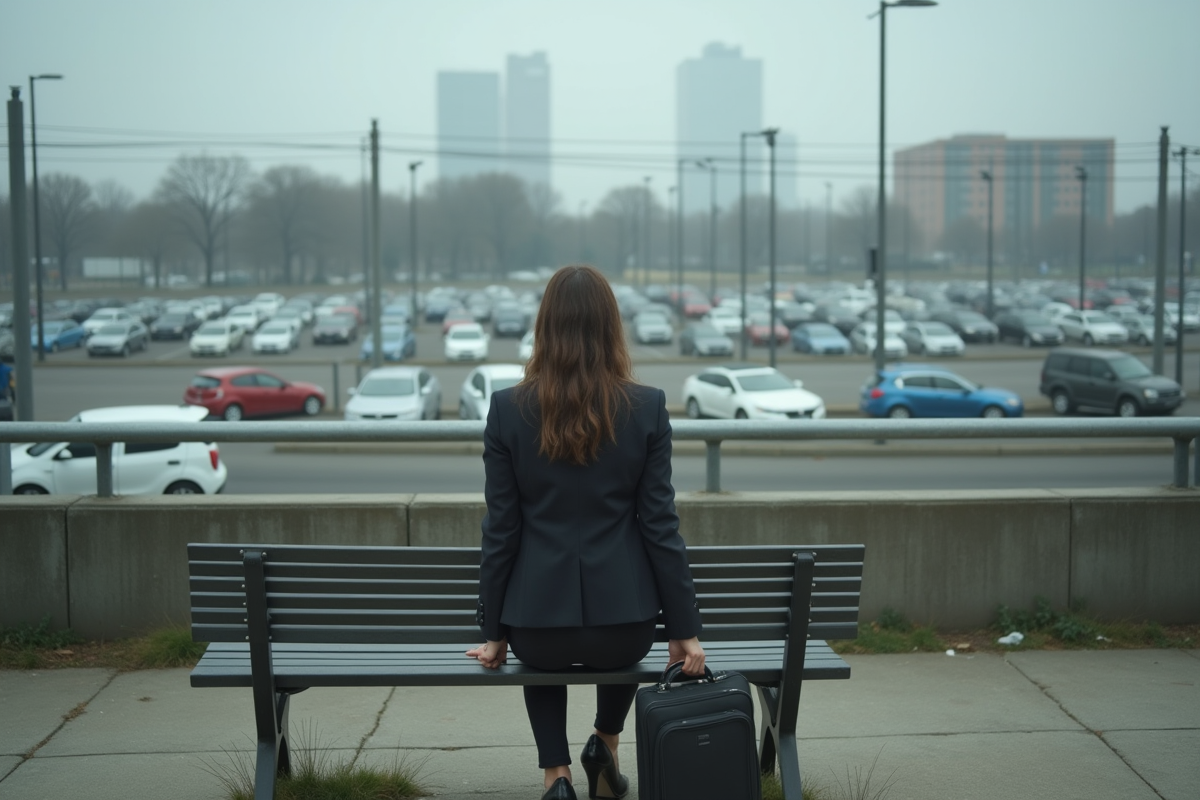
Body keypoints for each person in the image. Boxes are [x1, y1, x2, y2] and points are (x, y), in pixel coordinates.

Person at [466, 265, 705, 800]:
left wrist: (495, 633)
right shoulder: (647, 407)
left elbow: (500, 531)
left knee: (543, 655)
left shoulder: (508, 410)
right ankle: (604, 741)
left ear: (545, 327)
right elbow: (660, 527)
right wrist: (684, 628)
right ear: (610, 326)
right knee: (617, 650)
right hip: (625, 626)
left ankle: (556, 777)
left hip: (535, 624)